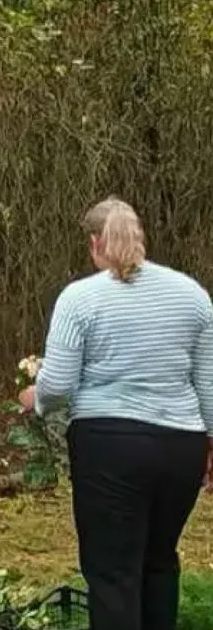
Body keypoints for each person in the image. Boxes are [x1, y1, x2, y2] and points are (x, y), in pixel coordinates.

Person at [19, 197, 213, 630]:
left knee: (112, 571)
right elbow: (207, 382)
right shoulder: (193, 295)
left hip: (110, 447)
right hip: (181, 445)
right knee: (160, 560)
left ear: (94, 243)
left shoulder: (79, 298)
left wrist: (37, 399)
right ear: (140, 237)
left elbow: (59, 384)